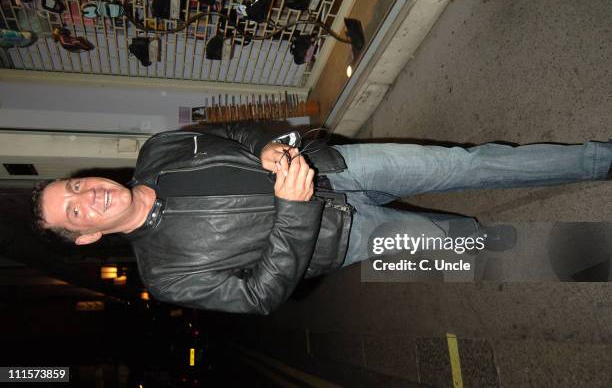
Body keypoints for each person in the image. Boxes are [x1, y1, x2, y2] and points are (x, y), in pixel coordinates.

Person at [32, 123, 612, 314]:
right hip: (345, 242)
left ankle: (600, 159)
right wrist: (293, 209)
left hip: (337, 166)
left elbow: (235, 132)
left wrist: (263, 148)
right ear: (85, 234)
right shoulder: (166, 277)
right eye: (75, 208)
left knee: (474, 164)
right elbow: (261, 296)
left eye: (76, 184)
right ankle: (594, 255)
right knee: (477, 251)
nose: (89, 194)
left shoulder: (158, 150)